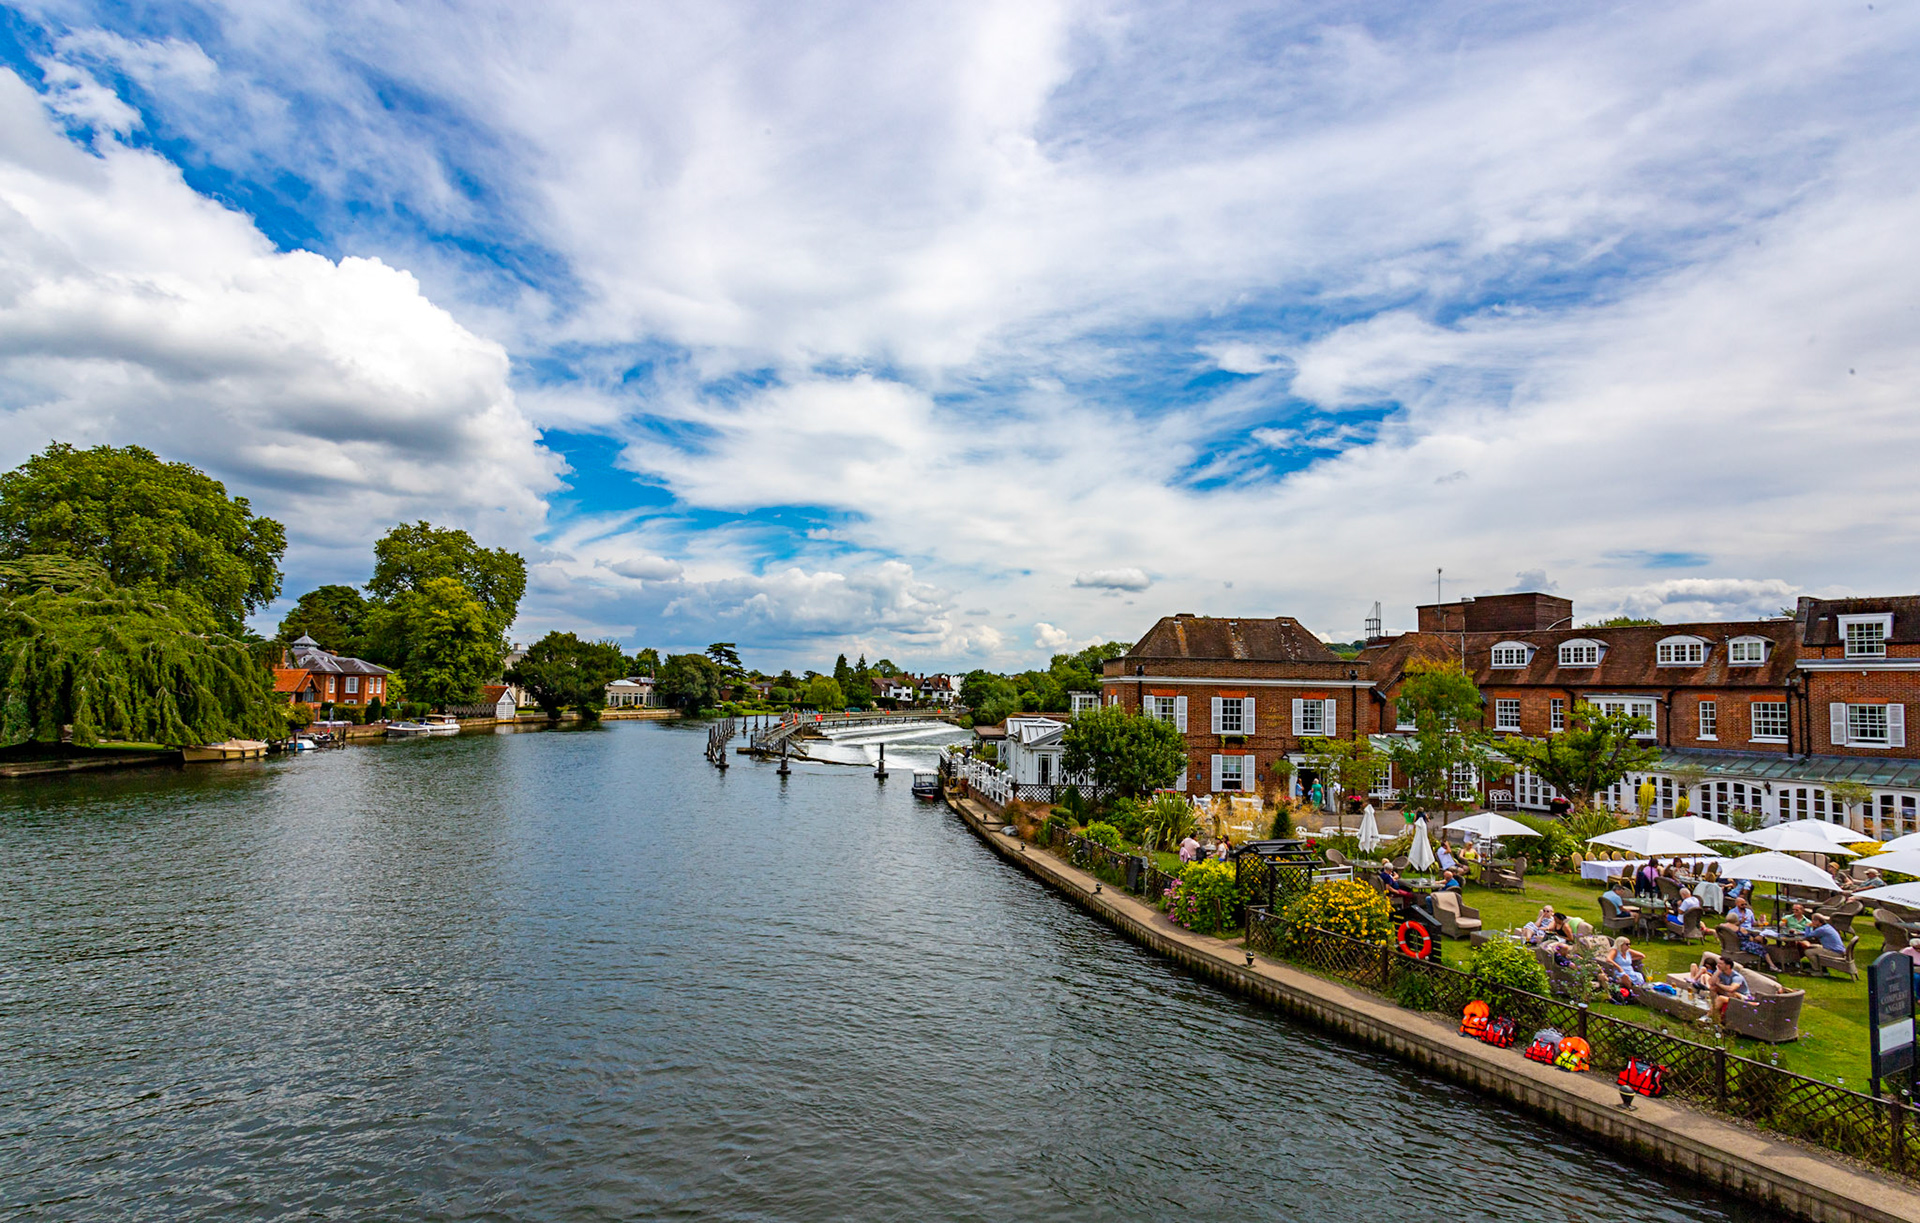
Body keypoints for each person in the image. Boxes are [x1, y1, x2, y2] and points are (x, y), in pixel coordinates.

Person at [1709, 958, 1751, 1023]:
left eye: (1721, 964)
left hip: (1744, 997)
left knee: (1728, 994)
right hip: (1729, 994)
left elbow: (1731, 989)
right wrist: (1718, 971)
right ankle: (1713, 1006)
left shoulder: (1737, 977)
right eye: (1718, 963)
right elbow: (1711, 983)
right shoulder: (1721, 973)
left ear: (1728, 966)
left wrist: (1718, 984)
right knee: (1713, 988)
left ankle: (1708, 1016)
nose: (1718, 965)